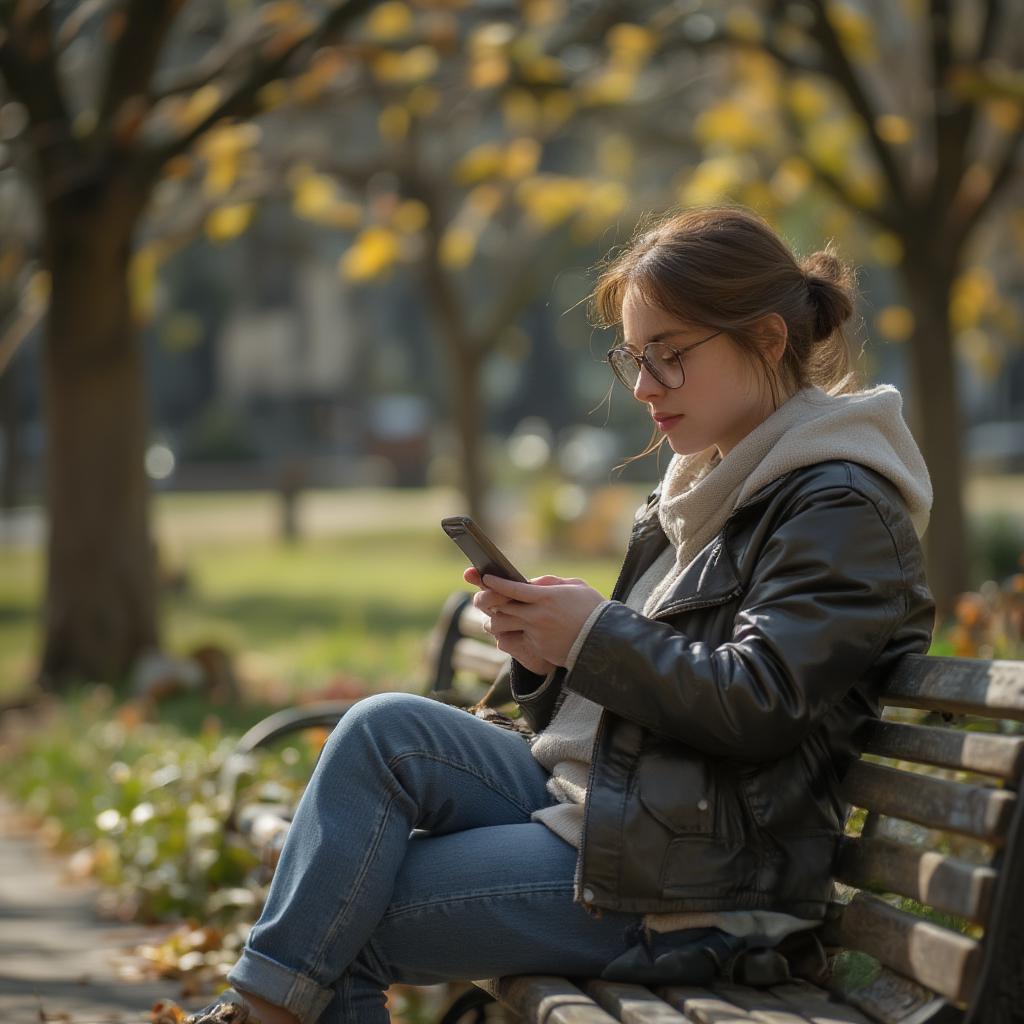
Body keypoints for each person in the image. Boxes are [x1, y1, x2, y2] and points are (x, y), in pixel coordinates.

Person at [184, 205, 935, 1024]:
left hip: (703, 887)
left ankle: (256, 1011)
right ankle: (261, 1007)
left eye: (670, 357)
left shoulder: (839, 506)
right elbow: (647, 692)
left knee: (342, 924)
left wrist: (592, 635)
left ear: (766, 340)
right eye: (634, 359)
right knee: (382, 730)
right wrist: (547, 659)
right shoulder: (700, 489)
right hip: (627, 819)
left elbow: (761, 701)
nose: (645, 387)